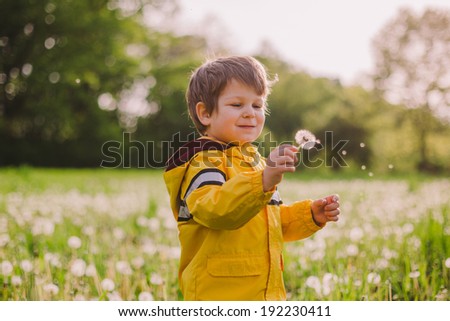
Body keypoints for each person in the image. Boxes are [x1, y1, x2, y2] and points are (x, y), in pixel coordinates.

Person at [164, 55, 340, 301]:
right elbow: (215, 210)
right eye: (237, 105)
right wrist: (264, 179)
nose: (250, 113)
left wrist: (309, 215)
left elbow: (269, 224)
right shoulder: (204, 161)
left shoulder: (254, 161)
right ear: (205, 113)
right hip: (219, 295)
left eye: (257, 106)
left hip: (263, 293)